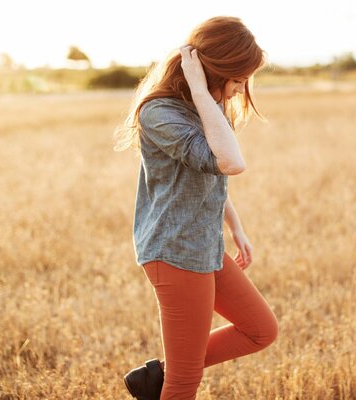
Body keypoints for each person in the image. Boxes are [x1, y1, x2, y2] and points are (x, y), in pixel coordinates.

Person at [114, 16, 279, 400]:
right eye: (237, 80)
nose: (239, 91)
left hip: (205, 246)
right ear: (211, 72)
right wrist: (204, 94)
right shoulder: (159, 113)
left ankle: (159, 374)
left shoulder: (210, 109)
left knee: (261, 329)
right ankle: (171, 373)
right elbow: (231, 163)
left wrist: (235, 226)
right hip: (173, 252)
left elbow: (211, 178)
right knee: (185, 381)